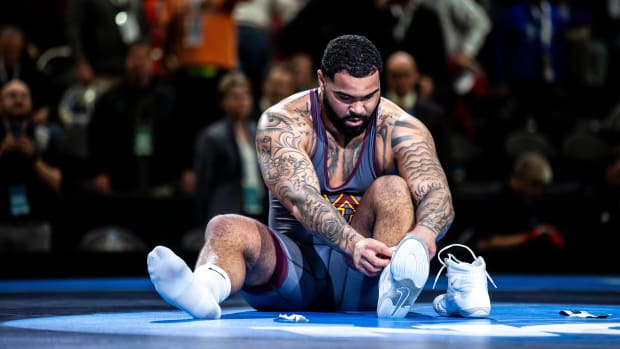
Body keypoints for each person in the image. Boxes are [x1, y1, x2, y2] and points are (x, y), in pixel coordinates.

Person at [148, 35, 471, 320]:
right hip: (295, 273)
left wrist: (423, 236)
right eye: (345, 98)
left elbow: (437, 193)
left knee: (393, 189)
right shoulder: (283, 122)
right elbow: (301, 199)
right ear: (321, 80)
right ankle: (203, 292)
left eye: (369, 96)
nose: (358, 109)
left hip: (369, 280)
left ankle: (395, 291)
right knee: (225, 227)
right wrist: (352, 243)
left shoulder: (402, 128)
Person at [87, 41, 186, 196]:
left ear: (151, 62)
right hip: (121, 179)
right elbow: (97, 138)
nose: (138, 64)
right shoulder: (110, 100)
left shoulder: (169, 97)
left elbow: (182, 135)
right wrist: (99, 172)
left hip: (162, 177)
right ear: (126, 62)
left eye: (143, 58)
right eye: (134, 58)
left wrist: (186, 169)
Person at [190, 71, 267, 250]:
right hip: (226, 210)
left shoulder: (258, 131)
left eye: (246, 95)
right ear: (223, 102)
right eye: (235, 97)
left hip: (258, 209)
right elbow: (203, 184)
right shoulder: (212, 136)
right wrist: (205, 219)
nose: (242, 101)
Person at [472, 151, 565, 269]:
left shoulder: (531, 201)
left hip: (526, 268)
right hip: (497, 269)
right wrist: (531, 236)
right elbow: (484, 243)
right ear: (521, 178)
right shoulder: (494, 200)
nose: (539, 192)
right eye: (536, 185)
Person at [0, 79, 62, 251]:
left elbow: (57, 182)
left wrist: (34, 159)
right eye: (11, 96)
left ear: (31, 102)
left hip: (36, 226)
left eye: (23, 96)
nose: (18, 100)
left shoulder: (45, 136)